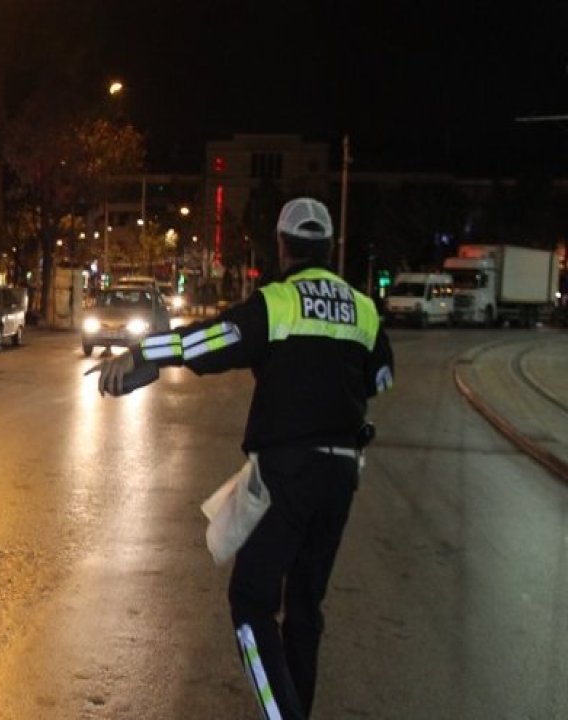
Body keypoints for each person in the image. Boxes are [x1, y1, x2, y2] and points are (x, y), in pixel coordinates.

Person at [89, 197, 394, 719]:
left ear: (282, 244)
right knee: (304, 609)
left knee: (251, 603)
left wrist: (145, 354)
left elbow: (209, 341)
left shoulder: (278, 302)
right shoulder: (361, 307)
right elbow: (381, 377)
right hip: (341, 474)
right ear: (328, 246)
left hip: (287, 474)